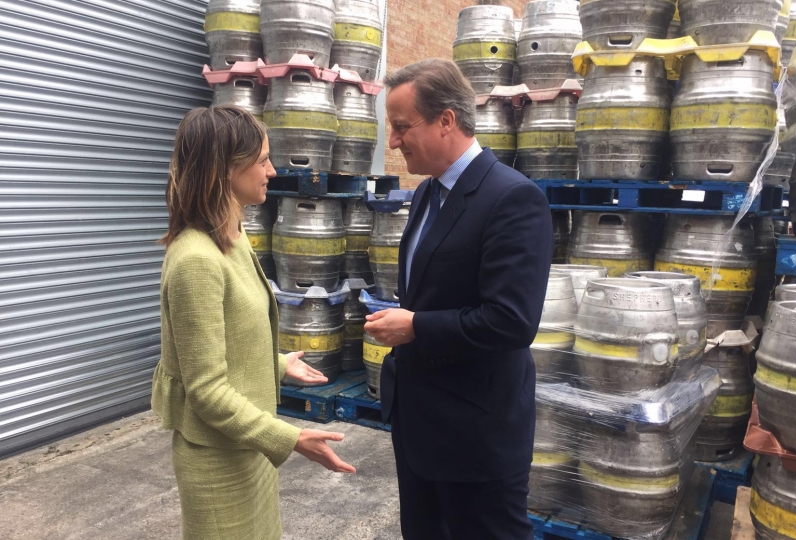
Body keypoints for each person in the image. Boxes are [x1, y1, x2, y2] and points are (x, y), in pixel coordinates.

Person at [364, 59, 553, 539]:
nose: (393, 141)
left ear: (446, 120)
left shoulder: (512, 198)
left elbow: (511, 321)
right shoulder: (428, 193)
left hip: (476, 437)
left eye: (403, 127)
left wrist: (414, 327)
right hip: (421, 425)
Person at [151, 106, 356, 540]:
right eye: (262, 160)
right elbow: (205, 390)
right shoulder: (195, 261)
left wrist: (277, 364)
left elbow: (228, 339)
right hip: (218, 462)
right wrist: (290, 437)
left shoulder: (232, 238)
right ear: (226, 168)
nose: (273, 170)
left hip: (245, 449)